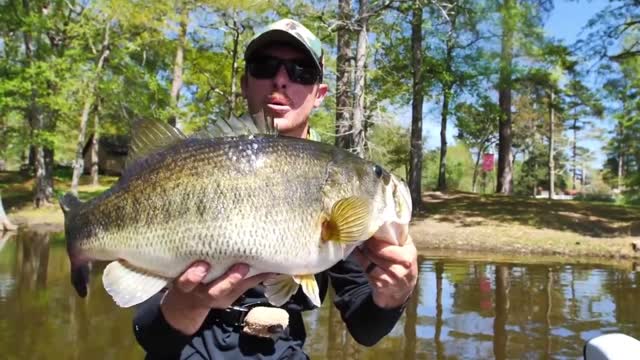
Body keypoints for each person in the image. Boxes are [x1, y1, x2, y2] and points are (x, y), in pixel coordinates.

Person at [133, 18, 418, 359]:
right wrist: (190, 304)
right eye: (265, 66)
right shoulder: (194, 168)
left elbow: (365, 328)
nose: (281, 79)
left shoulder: (343, 181)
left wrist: (394, 295)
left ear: (319, 94)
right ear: (245, 82)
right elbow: (150, 334)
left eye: (301, 72)